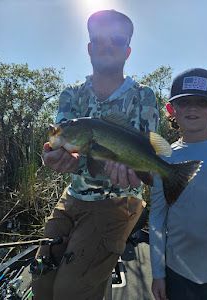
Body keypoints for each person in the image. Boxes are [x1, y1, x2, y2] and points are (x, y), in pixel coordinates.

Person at [32, 9, 159, 300]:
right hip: (71, 199)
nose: (107, 45)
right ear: (89, 47)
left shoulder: (143, 96)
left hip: (119, 202)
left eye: (116, 39)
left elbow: (144, 157)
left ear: (127, 50)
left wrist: (144, 172)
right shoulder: (71, 95)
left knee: (71, 291)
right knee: (41, 283)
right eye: (98, 39)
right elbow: (56, 145)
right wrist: (49, 158)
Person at [149, 68, 207, 300]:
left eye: (202, 102)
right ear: (172, 110)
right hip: (179, 273)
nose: (192, 108)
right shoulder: (164, 158)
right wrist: (158, 273)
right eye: (184, 102)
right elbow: (157, 218)